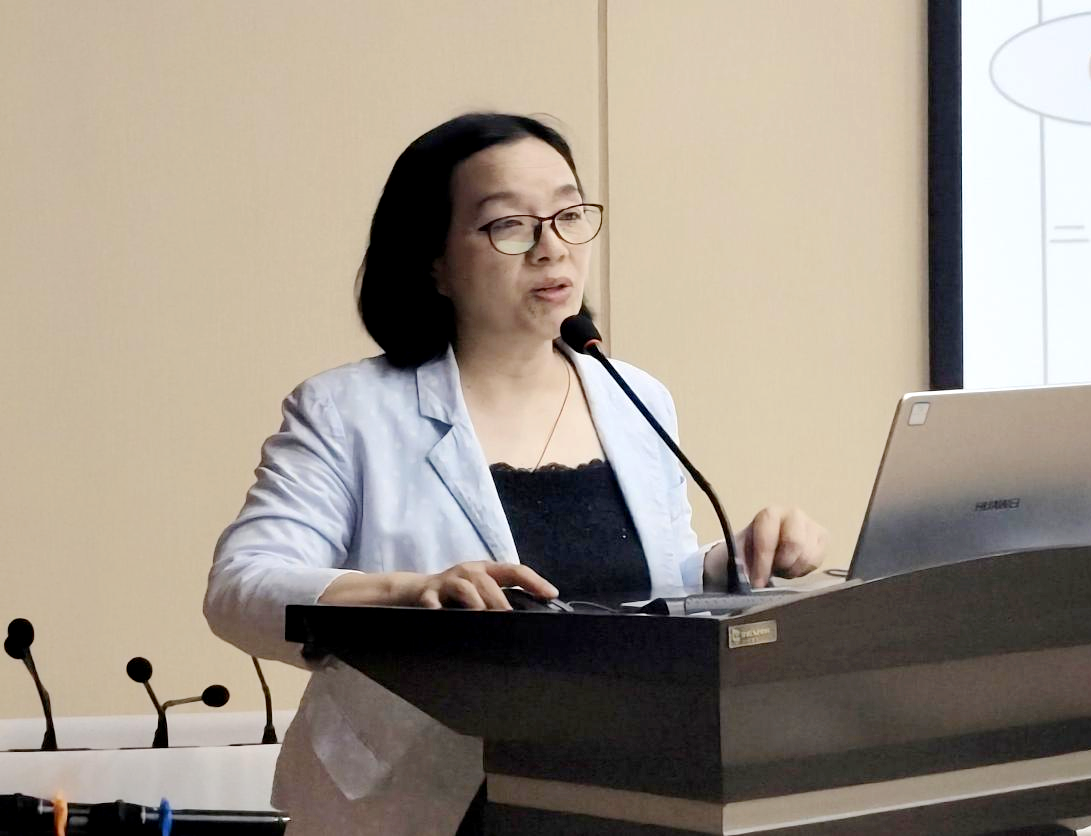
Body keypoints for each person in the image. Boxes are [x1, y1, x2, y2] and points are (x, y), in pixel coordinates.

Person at [204, 112, 828, 835]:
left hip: (626, 789)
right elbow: (240, 587)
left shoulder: (635, 397)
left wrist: (734, 562)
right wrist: (406, 595)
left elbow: (642, 590)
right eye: (509, 225)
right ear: (433, 262)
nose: (551, 247)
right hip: (425, 805)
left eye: (569, 215)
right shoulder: (350, 411)